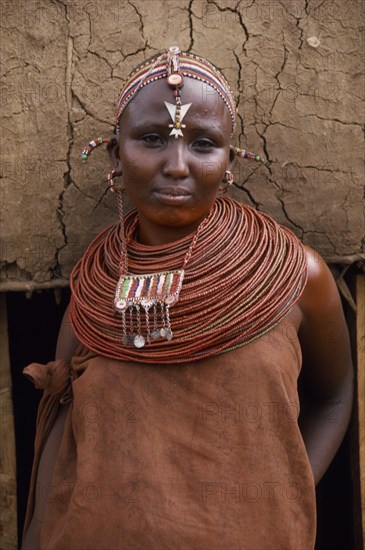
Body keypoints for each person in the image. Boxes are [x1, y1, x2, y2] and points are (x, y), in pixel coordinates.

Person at [22, 46, 353, 550]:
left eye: (203, 144)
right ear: (115, 154)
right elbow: (63, 420)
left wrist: (286, 493)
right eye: (152, 139)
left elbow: (333, 395)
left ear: (228, 161)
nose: (177, 165)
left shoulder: (294, 275)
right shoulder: (93, 290)